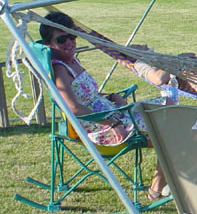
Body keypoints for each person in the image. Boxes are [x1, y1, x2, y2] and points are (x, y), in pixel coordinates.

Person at [40, 12, 172, 200]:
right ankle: (158, 186)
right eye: (61, 39)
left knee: (167, 108)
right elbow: (74, 108)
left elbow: (87, 94)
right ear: (48, 44)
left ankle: (165, 181)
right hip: (101, 127)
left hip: (114, 113)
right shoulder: (60, 69)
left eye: (72, 36)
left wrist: (111, 96)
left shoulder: (72, 59)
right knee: (169, 126)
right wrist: (112, 124)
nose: (69, 42)